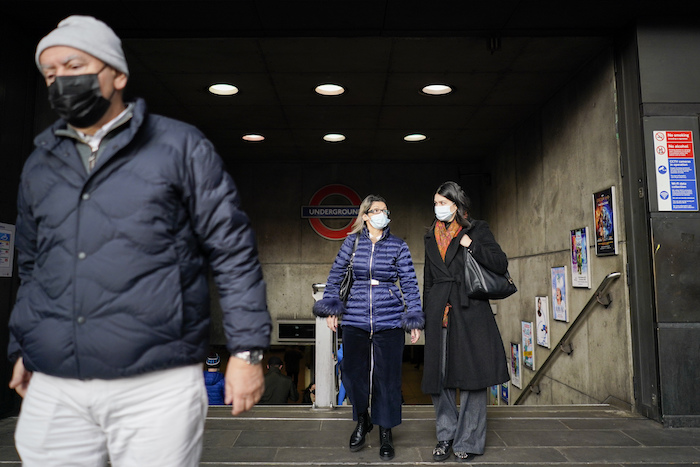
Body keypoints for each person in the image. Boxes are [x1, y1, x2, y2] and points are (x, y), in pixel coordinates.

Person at [7, 15, 271, 466]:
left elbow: (232, 252)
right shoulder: (40, 163)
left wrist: (247, 351)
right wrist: (22, 346)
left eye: (73, 66)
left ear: (117, 74)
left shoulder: (180, 147)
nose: (60, 82)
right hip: (54, 381)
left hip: (156, 381)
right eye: (50, 74)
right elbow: (32, 266)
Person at [313, 194, 424, 461]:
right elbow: (336, 274)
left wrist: (414, 317)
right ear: (364, 216)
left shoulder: (398, 245)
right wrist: (331, 308)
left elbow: (409, 281)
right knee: (352, 374)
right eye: (376, 211)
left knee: (387, 378)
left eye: (385, 211)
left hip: (389, 319)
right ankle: (363, 419)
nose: (382, 215)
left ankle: (386, 431)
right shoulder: (351, 243)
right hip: (354, 317)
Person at [421, 181, 510, 462]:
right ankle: (446, 435)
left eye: (443, 203)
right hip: (440, 312)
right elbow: (428, 280)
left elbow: (500, 263)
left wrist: (472, 247)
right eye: (435, 203)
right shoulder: (429, 236)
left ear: (456, 206)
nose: (438, 208)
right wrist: (425, 315)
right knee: (439, 376)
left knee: (473, 378)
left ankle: (468, 440)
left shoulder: (477, 229)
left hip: (470, 311)